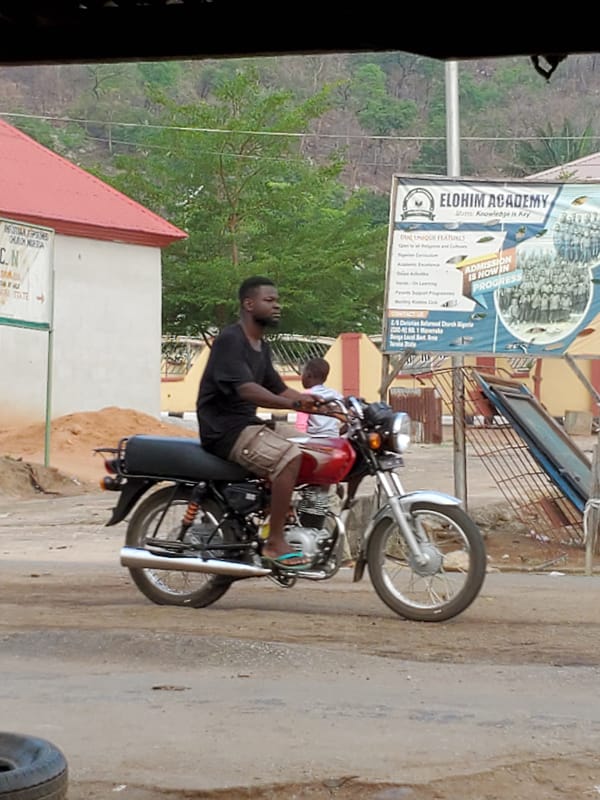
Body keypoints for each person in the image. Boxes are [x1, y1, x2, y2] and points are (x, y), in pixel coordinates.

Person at [196, 276, 321, 569]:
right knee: (289, 457)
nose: (277, 306)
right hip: (225, 429)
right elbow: (248, 390)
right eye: (270, 300)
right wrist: (294, 404)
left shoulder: (261, 347)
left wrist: (317, 403)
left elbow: (278, 388)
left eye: (277, 300)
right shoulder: (231, 340)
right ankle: (275, 542)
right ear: (249, 304)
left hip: (247, 425)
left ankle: (276, 511)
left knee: (314, 449)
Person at [295, 357, 343, 437]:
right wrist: (337, 433)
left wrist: (299, 440)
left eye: (302, 373)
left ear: (308, 375)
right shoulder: (336, 394)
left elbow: (301, 424)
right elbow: (348, 418)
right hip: (333, 438)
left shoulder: (307, 396)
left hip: (313, 439)